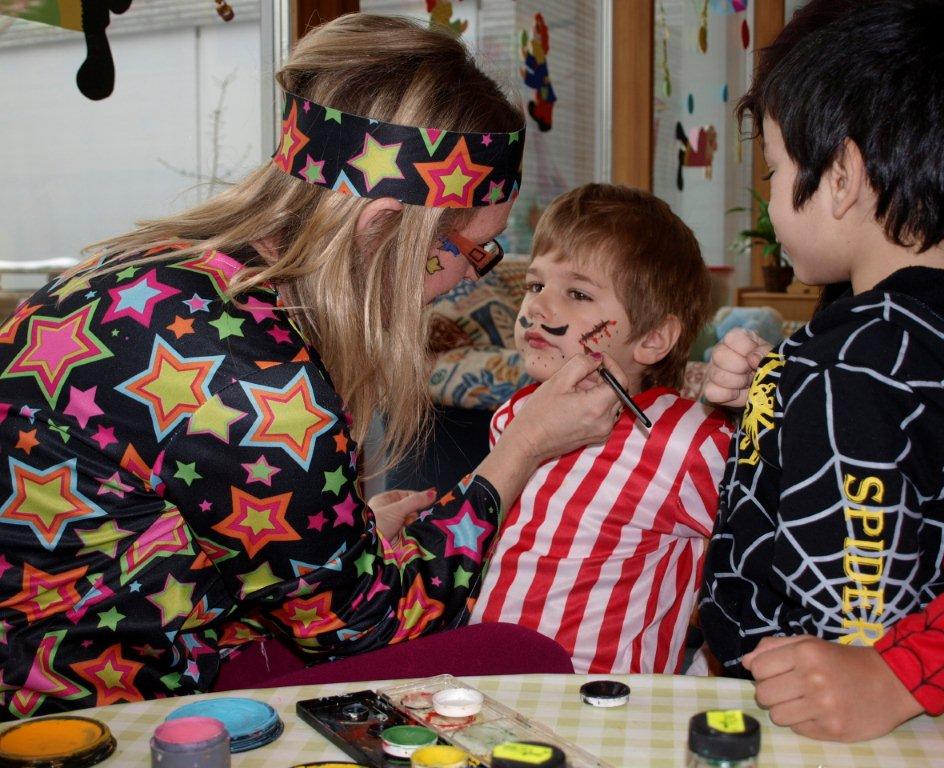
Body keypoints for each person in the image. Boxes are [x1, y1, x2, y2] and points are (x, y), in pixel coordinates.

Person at [0, 14, 625, 720]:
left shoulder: (143, 272)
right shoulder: (257, 380)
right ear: (383, 227)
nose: (466, 280)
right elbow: (370, 626)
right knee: (518, 658)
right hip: (75, 712)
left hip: (63, 646)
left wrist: (337, 542)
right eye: (474, 251)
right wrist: (523, 447)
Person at [698, 0, 944, 741]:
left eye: (776, 170)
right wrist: (773, 393)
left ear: (841, 176)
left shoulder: (854, 356)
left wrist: (806, 382)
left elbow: (853, 584)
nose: (770, 199)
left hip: (814, 706)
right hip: (932, 703)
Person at [469, 184, 733, 673]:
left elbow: (759, 555)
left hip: (598, 696)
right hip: (484, 678)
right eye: (535, 285)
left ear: (652, 338)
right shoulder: (515, 413)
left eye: (577, 293)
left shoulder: (690, 442)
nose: (537, 308)